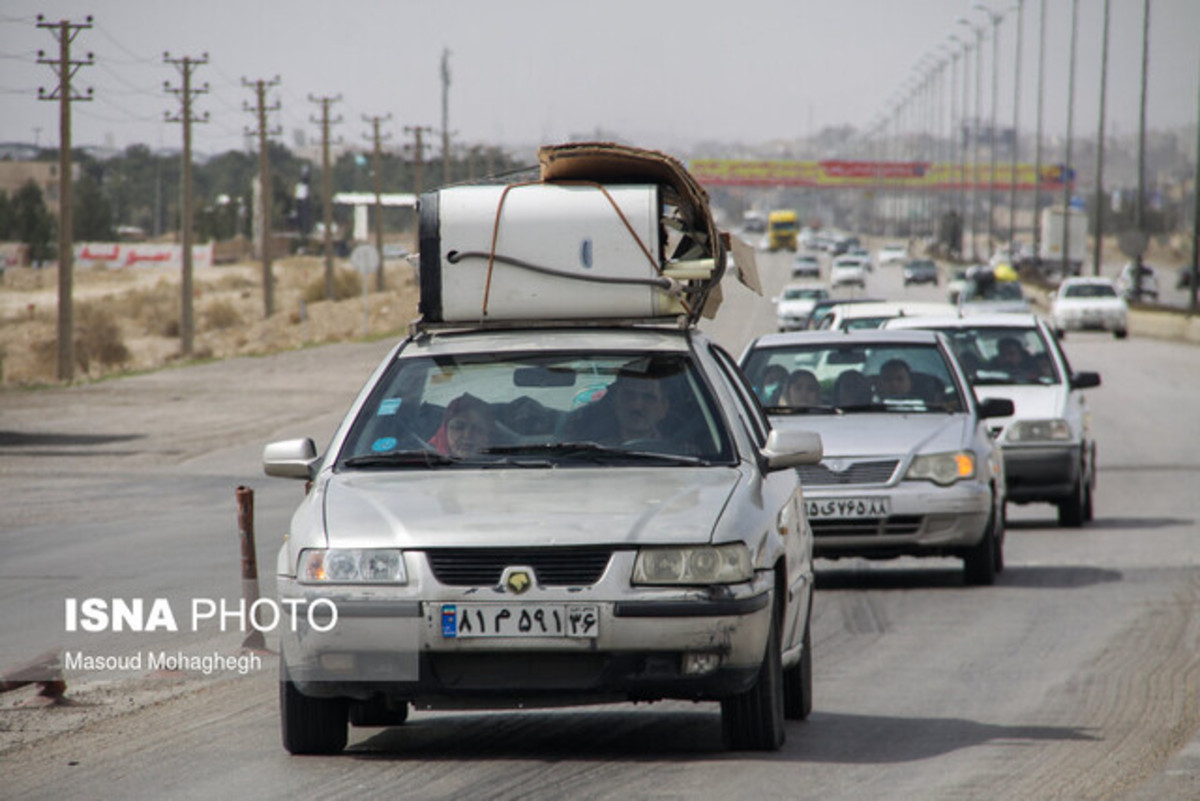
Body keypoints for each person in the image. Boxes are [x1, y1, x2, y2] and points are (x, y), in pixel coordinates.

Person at [429, 393, 495, 458]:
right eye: (458, 427)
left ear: (487, 436)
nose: (467, 435)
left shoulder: (501, 462)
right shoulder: (427, 459)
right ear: (445, 431)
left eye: (477, 428)